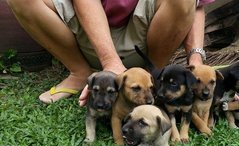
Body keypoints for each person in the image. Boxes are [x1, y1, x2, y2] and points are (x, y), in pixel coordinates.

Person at [7, 0, 215, 105]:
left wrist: (195, 59)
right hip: (87, 34)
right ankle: (79, 73)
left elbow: (196, 4)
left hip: (147, 38)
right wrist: (110, 62)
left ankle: (153, 75)